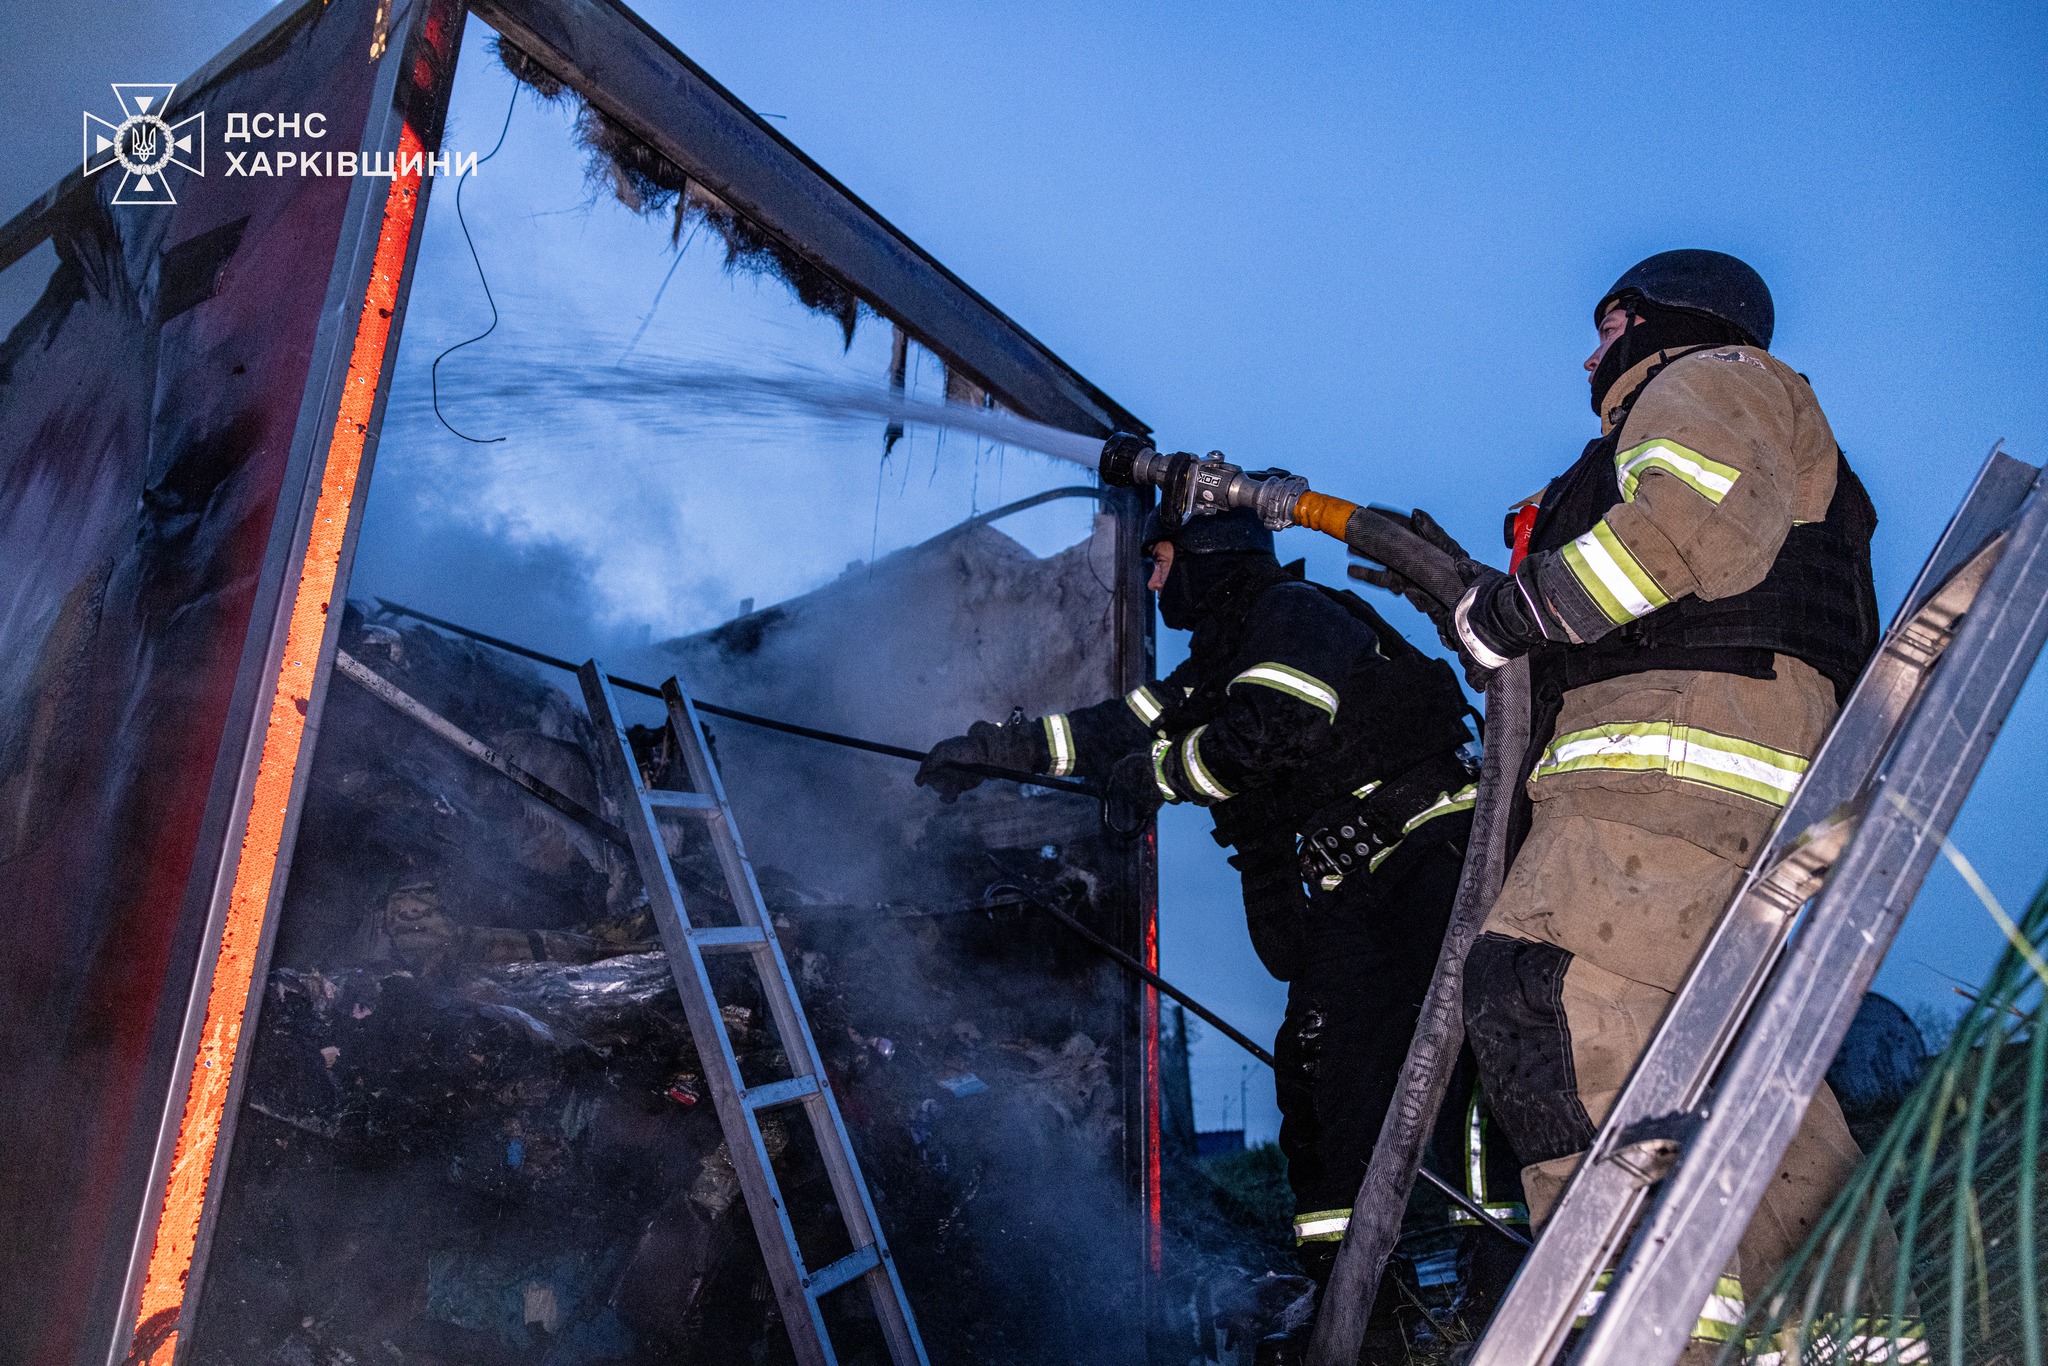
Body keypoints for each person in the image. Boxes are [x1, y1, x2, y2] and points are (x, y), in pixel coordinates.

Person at [1361, 249, 1886, 1359]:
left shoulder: (1708, 375)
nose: (1589, 351)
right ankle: (1846, 1331)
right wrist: (1496, 611)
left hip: (1668, 782)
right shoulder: (1738, 402)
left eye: (1605, 326)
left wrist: (1518, 612)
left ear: (1655, 320)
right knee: (1734, 1074)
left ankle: (1643, 1336)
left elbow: (1689, 530)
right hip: (1710, 785)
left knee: (1547, 999)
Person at [915, 503, 1508, 1361]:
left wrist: (1157, 776)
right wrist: (993, 753)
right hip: (1356, 885)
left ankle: (1501, 1271)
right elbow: (1120, 727)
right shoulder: (1218, 661)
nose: (1154, 583)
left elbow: (1270, 729)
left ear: (1208, 553)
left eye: (1160, 562)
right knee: (1314, 1072)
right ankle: (1357, 1309)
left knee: (1466, 1065)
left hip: (1433, 860)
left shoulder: (1292, 617)